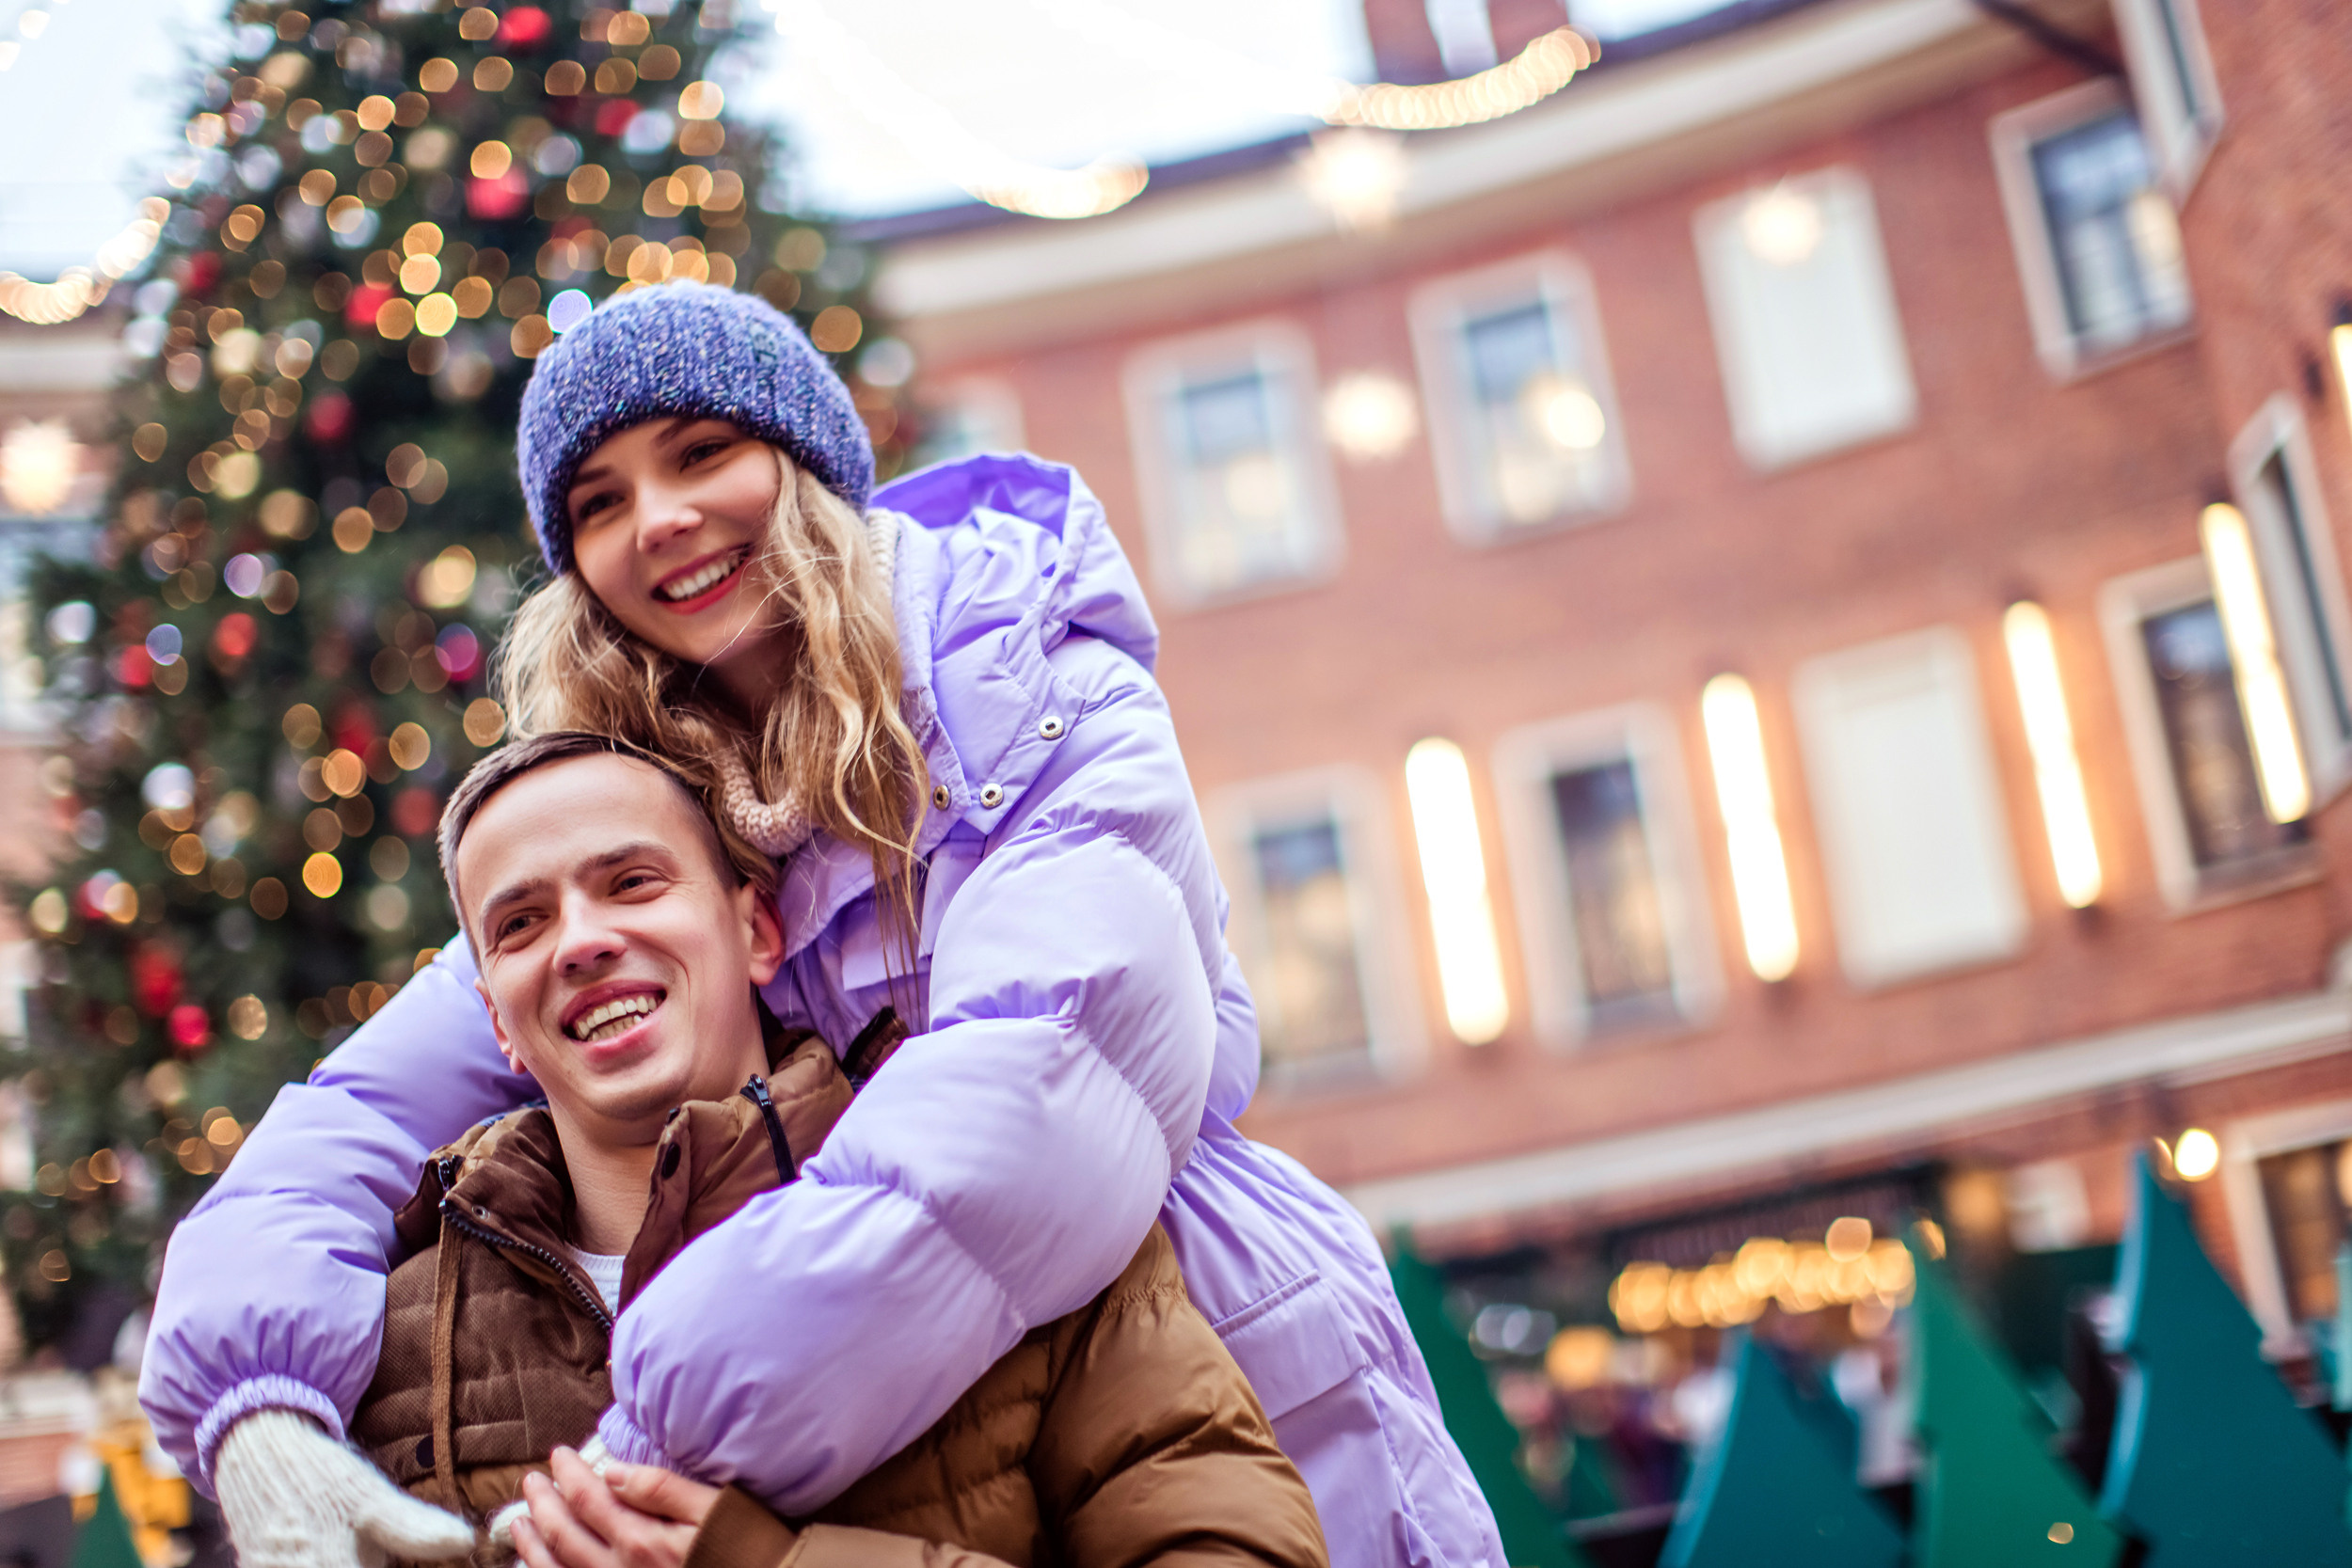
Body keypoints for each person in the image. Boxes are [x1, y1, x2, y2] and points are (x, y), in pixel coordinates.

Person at [139, 283, 1504, 1568]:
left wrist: (626, 1470)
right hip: (871, 1413)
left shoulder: (1031, 691)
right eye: (599, 502)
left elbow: (1028, 1103)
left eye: (702, 451)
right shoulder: (654, 809)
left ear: (804, 465)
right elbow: (360, 1112)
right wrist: (255, 1401)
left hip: (1196, 1337)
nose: (659, 520)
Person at [336, 730, 1327, 1568]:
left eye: (632, 881)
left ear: (757, 926)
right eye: (521, 922)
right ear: (497, 1024)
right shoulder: (384, 1342)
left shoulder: (1006, 1205)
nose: (581, 940)